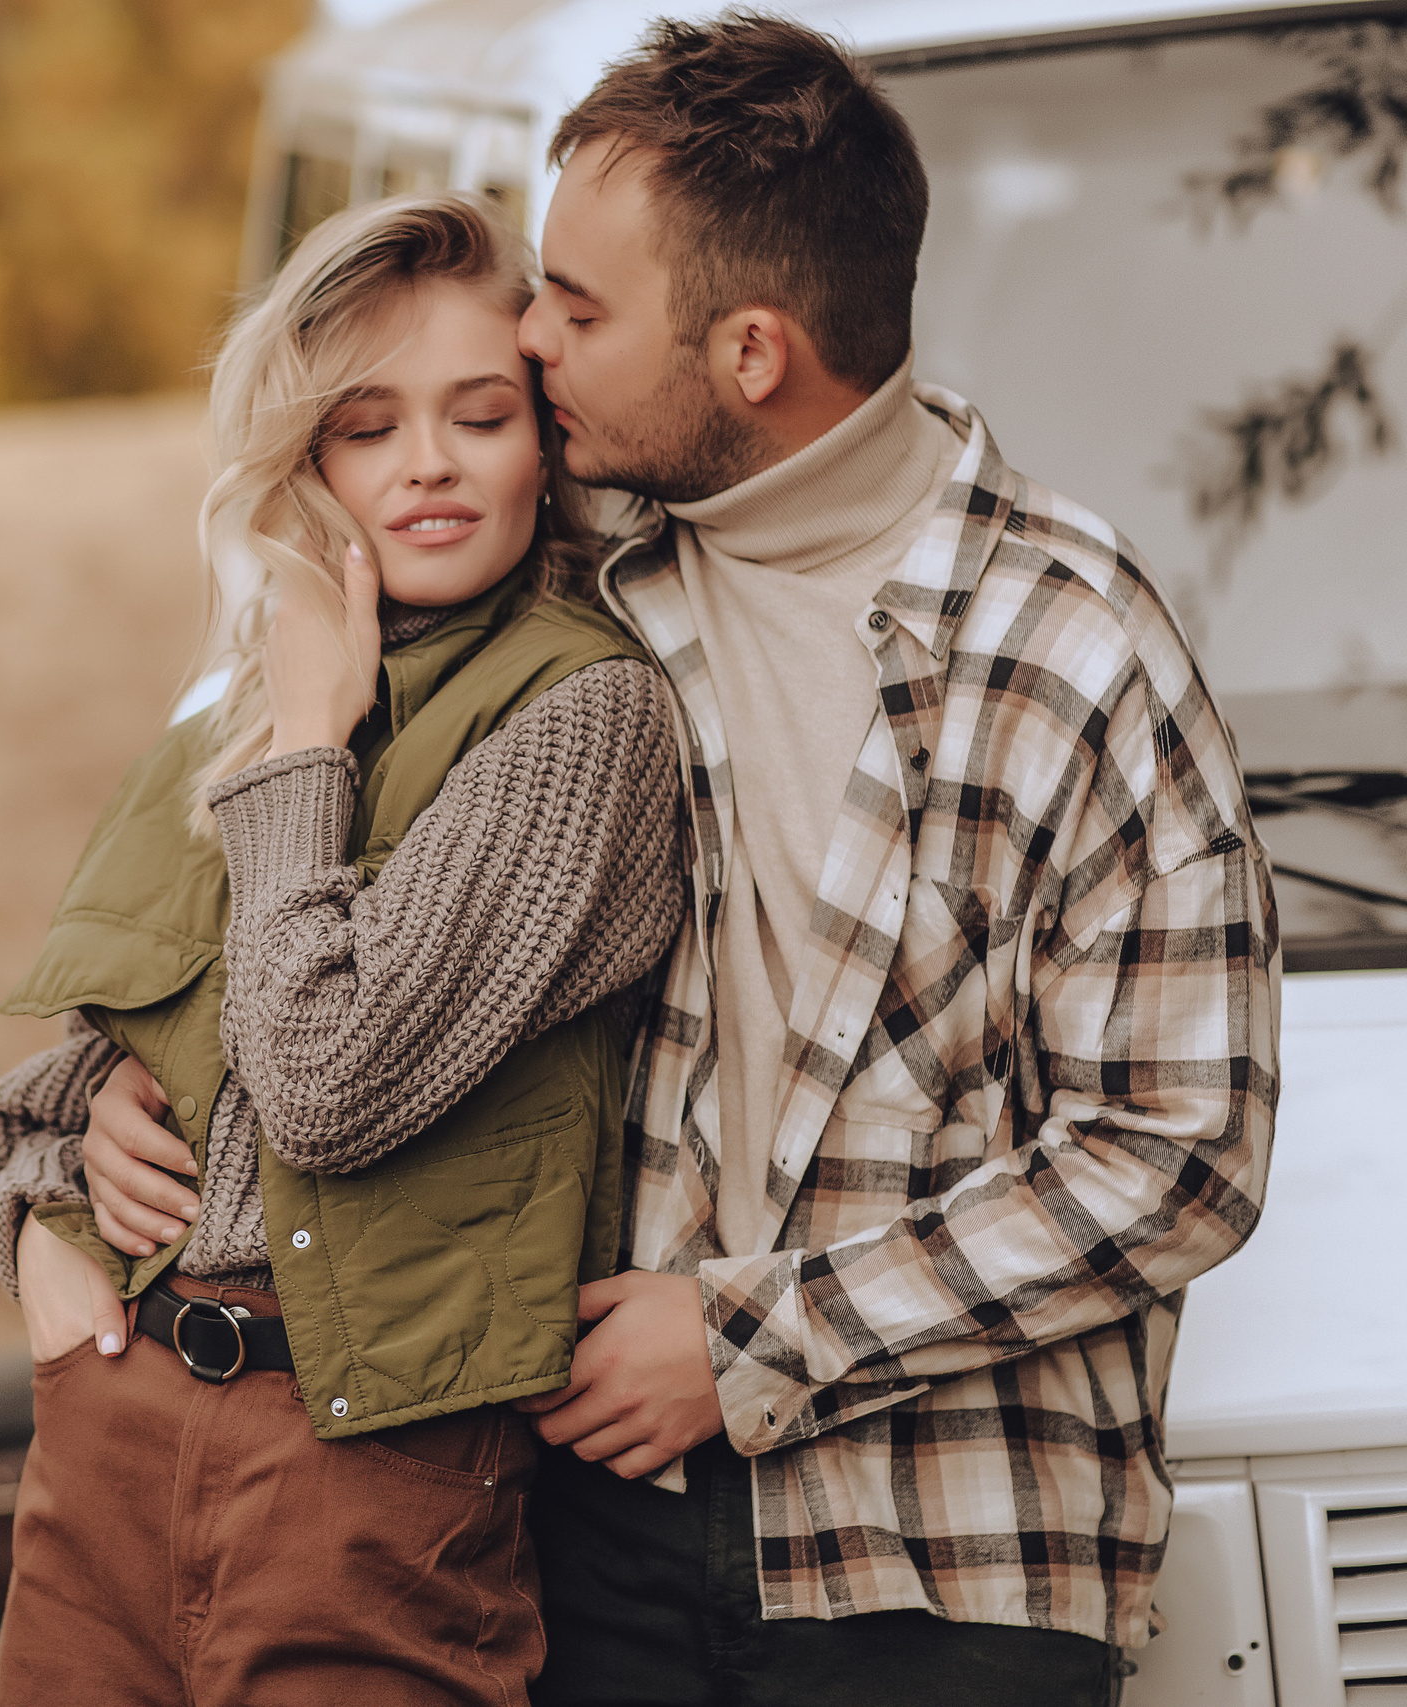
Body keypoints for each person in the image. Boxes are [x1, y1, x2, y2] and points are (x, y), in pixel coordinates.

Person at [80, 14, 1279, 1707]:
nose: (529, 336)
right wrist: (117, 1087)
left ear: (753, 352)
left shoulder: (1073, 648)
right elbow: (293, 855)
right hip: (580, 1510)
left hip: (946, 1554)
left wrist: (753, 1345)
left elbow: (1180, 1149)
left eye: (577, 307)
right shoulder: (572, 576)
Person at [0, 193, 686, 1706]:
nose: (427, 463)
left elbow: (324, 1081)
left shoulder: (580, 717)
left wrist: (308, 741)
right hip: (111, 1427)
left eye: (479, 416)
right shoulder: (267, 689)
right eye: (366, 428)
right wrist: (38, 1219)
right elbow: (77, 1078)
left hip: (365, 1474)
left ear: (544, 442)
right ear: (309, 464)